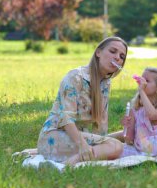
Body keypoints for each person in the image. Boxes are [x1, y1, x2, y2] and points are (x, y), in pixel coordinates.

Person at [37, 37, 128, 165]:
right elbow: (65, 118)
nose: (118, 57)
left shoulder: (106, 83)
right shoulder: (75, 77)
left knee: (122, 138)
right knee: (117, 147)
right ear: (98, 53)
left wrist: (107, 140)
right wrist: (84, 146)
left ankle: (80, 156)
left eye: (122, 56)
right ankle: (64, 166)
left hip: (80, 136)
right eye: (113, 51)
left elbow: (101, 121)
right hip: (55, 135)